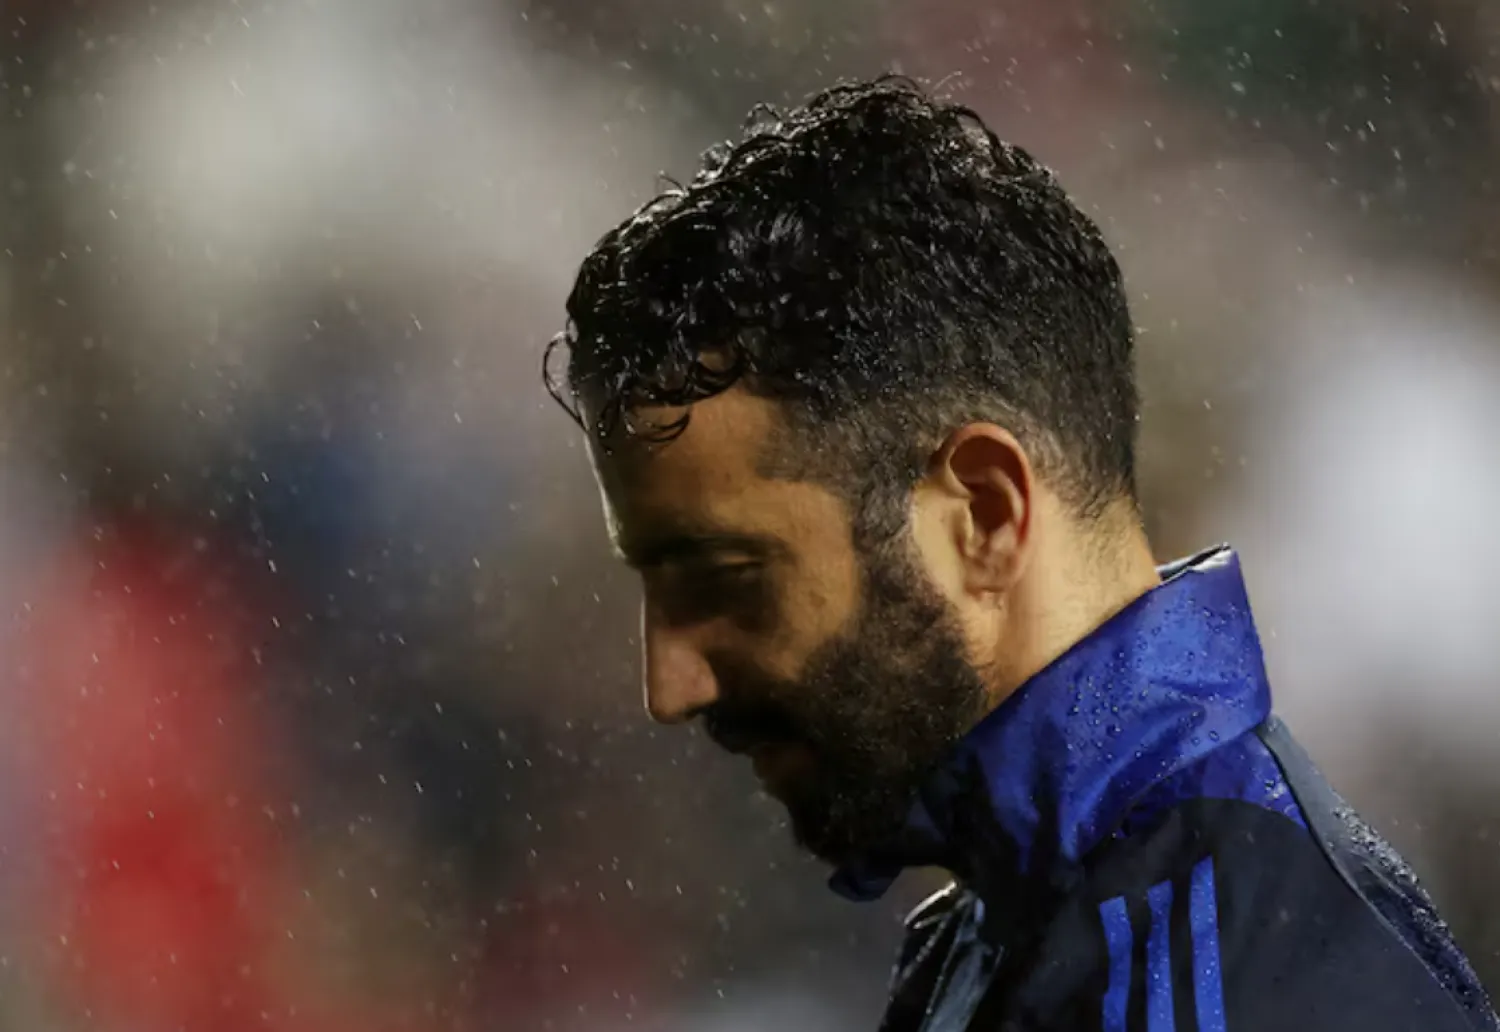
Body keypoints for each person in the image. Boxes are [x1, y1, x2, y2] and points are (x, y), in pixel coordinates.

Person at [543, 75, 1500, 1031]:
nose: (670, 685)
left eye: (724, 577)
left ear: (986, 514)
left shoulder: (1219, 981)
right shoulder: (1040, 924)